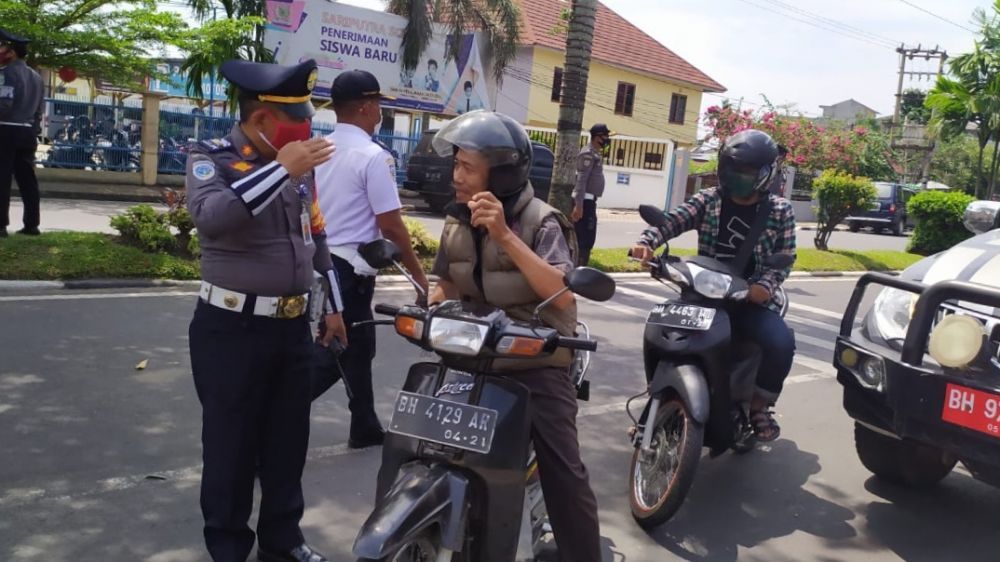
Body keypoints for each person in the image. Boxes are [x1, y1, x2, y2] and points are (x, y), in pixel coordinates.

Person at [185, 58, 347, 562]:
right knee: (231, 448)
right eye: (297, 119)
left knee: (286, 443)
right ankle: (229, 547)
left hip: (291, 327)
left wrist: (335, 307)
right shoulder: (209, 158)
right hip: (230, 329)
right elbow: (213, 219)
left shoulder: (299, 171)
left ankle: (283, 539)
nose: (307, 128)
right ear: (261, 121)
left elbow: (317, 237)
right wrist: (282, 168)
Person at [427, 110, 601, 562]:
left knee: (564, 469)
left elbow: (561, 296)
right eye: (456, 164)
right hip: (474, 352)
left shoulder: (543, 222)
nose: (455, 176)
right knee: (424, 439)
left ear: (500, 175)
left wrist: (504, 235)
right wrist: (429, 299)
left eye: (466, 167)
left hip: (535, 360)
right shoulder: (456, 221)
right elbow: (447, 281)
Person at [630, 129, 796, 442]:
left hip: (747, 299)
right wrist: (646, 243)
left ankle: (760, 406)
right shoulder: (708, 200)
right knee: (664, 335)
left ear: (765, 174)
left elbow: (785, 257)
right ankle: (656, 401)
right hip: (702, 294)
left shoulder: (779, 211)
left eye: (746, 172)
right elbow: (671, 221)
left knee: (781, 341)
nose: (737, 178)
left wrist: (764, 286)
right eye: (732, 170)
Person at [314, 70, 429, 449]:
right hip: (349, 271)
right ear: (366, 106)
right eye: (378, 103)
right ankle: (275, 416)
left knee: (359, 348)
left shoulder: (320, 150)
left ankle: (364, 424)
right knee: (337, 351)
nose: (380, 110)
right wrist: (419, 278)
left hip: (321, 263)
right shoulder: (374, 157)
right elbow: (392, 226)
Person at [0, 28, 43, 237]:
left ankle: (0, 226)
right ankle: (32, 224)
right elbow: (39, 112)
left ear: (12, 51)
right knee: (27, 180)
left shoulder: (5, 74)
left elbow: (4, 105)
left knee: (2, 178)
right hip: (27, 133)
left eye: (3, 46)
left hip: (6, 130)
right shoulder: (37, 77)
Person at [571, 123, 613, 265]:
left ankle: (580, 268)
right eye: (605, 136)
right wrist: (578, 205)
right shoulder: (588, 154)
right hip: (585, 202)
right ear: (597, 137)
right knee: (584, 239)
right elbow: (581, 180)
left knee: (588, 238)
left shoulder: (594, 153)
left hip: (589, 201)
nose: (607, 139)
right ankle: (578, 270)